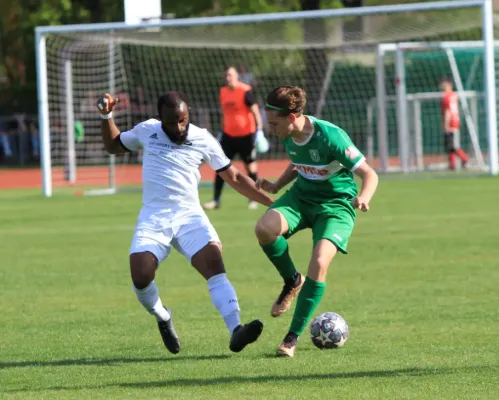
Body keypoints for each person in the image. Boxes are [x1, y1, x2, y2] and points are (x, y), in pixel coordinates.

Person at [96, 91, 274, 355]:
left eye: (183, 120)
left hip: (189, 215)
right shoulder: (148, 131)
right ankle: (162, 317)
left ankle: (237, 329)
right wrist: (106, 116)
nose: (179, 127)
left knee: (215, 264)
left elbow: (234, 177)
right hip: (155, 216)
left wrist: (271, 203)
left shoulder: (202, 138)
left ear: (188, 114)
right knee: (141, 275)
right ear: (160, 119)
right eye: (172, 123)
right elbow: (113, 145)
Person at [254, 86, 379, 358]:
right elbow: (298, 162)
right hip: (301, 198)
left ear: (291, 117)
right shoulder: (289, 134)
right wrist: (276, 185)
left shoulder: (330, 136)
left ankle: (292, 336)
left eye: (274, 123)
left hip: (335, 206)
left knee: (320, 262)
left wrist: (364, 197)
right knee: (264, 229)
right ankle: (292, 281)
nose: (270, 129)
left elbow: (370, 174)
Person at [204, 65, 268, 211]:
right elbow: (225, 113)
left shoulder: (245, 91)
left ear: (236, 76)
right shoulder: (223, 92)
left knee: (250, 167)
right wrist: (221, 130)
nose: (228, 78)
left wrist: (259, 131)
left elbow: (255, 111)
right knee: (220, 167)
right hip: (228, 136)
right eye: (226, 75)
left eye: (230, 75)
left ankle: (254, 198)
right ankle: (216, 200)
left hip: (246, 135)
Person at [439, 77, 468, 170]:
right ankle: (452, 165)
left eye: (444, 84)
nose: (442, 86)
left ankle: (464, 158)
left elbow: (448, 111)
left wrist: (446, 124)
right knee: (450, 145)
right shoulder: (453, 95)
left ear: (448, 85)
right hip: (455, 121)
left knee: (452, 145)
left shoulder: (446, 96)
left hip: (451, 122)